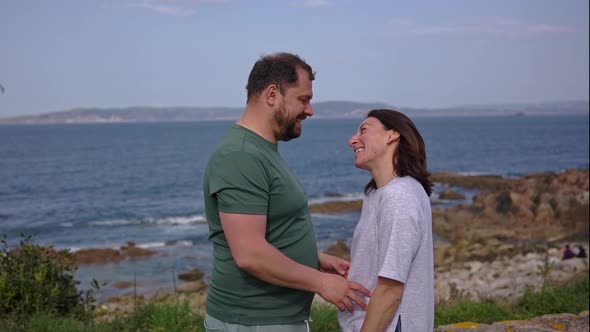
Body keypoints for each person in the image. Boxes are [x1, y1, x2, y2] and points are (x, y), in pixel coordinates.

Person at [202, 52, 370, 332]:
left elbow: (270, 230)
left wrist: (315, 259)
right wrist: (321, 283)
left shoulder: (260, 150)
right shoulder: (240, 156)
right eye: (303, 99)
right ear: (272, 94)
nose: (309, 111)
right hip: (254, 323)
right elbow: (250, 254)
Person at [339, 109, 434, 331]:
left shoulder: (399, 196)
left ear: (392, 135)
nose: (352, 140)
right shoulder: (377, 194)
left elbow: (391, 290)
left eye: (363, 130)